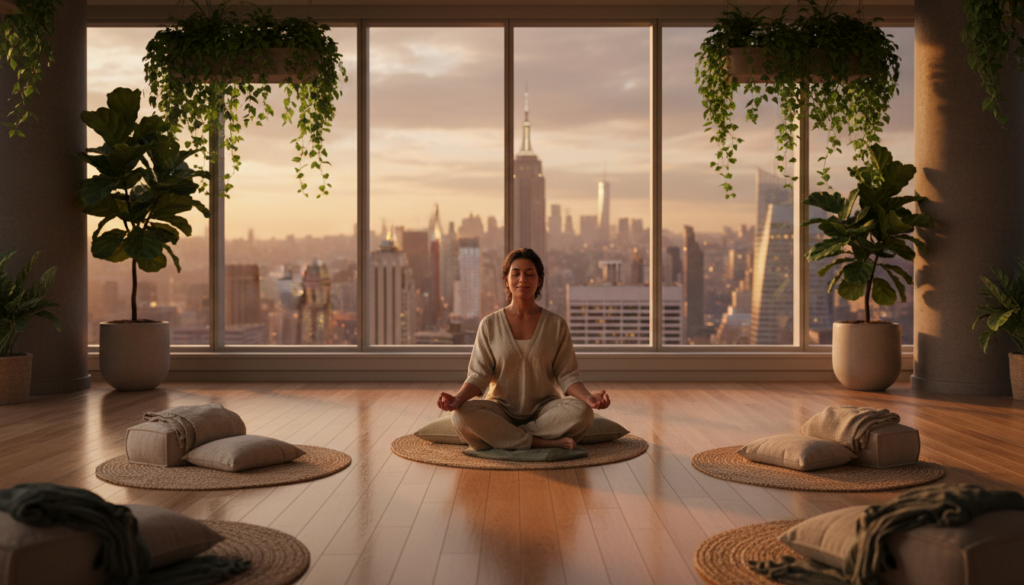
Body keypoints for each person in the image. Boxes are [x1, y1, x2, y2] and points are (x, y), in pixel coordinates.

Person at [437, 248, 611, 450]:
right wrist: (457, 398)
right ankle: (540, 442)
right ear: (506, 280)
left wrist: (588, 398)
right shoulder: (489, 324)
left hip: (545, 410)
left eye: (530, 274)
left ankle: (504, 436)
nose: (522, 279)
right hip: (499, 409)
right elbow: (478, 376)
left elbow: (567, 376)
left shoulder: (556, 324)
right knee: (461, 416)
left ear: (540, 280)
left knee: (582, 412)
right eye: (516, 273)